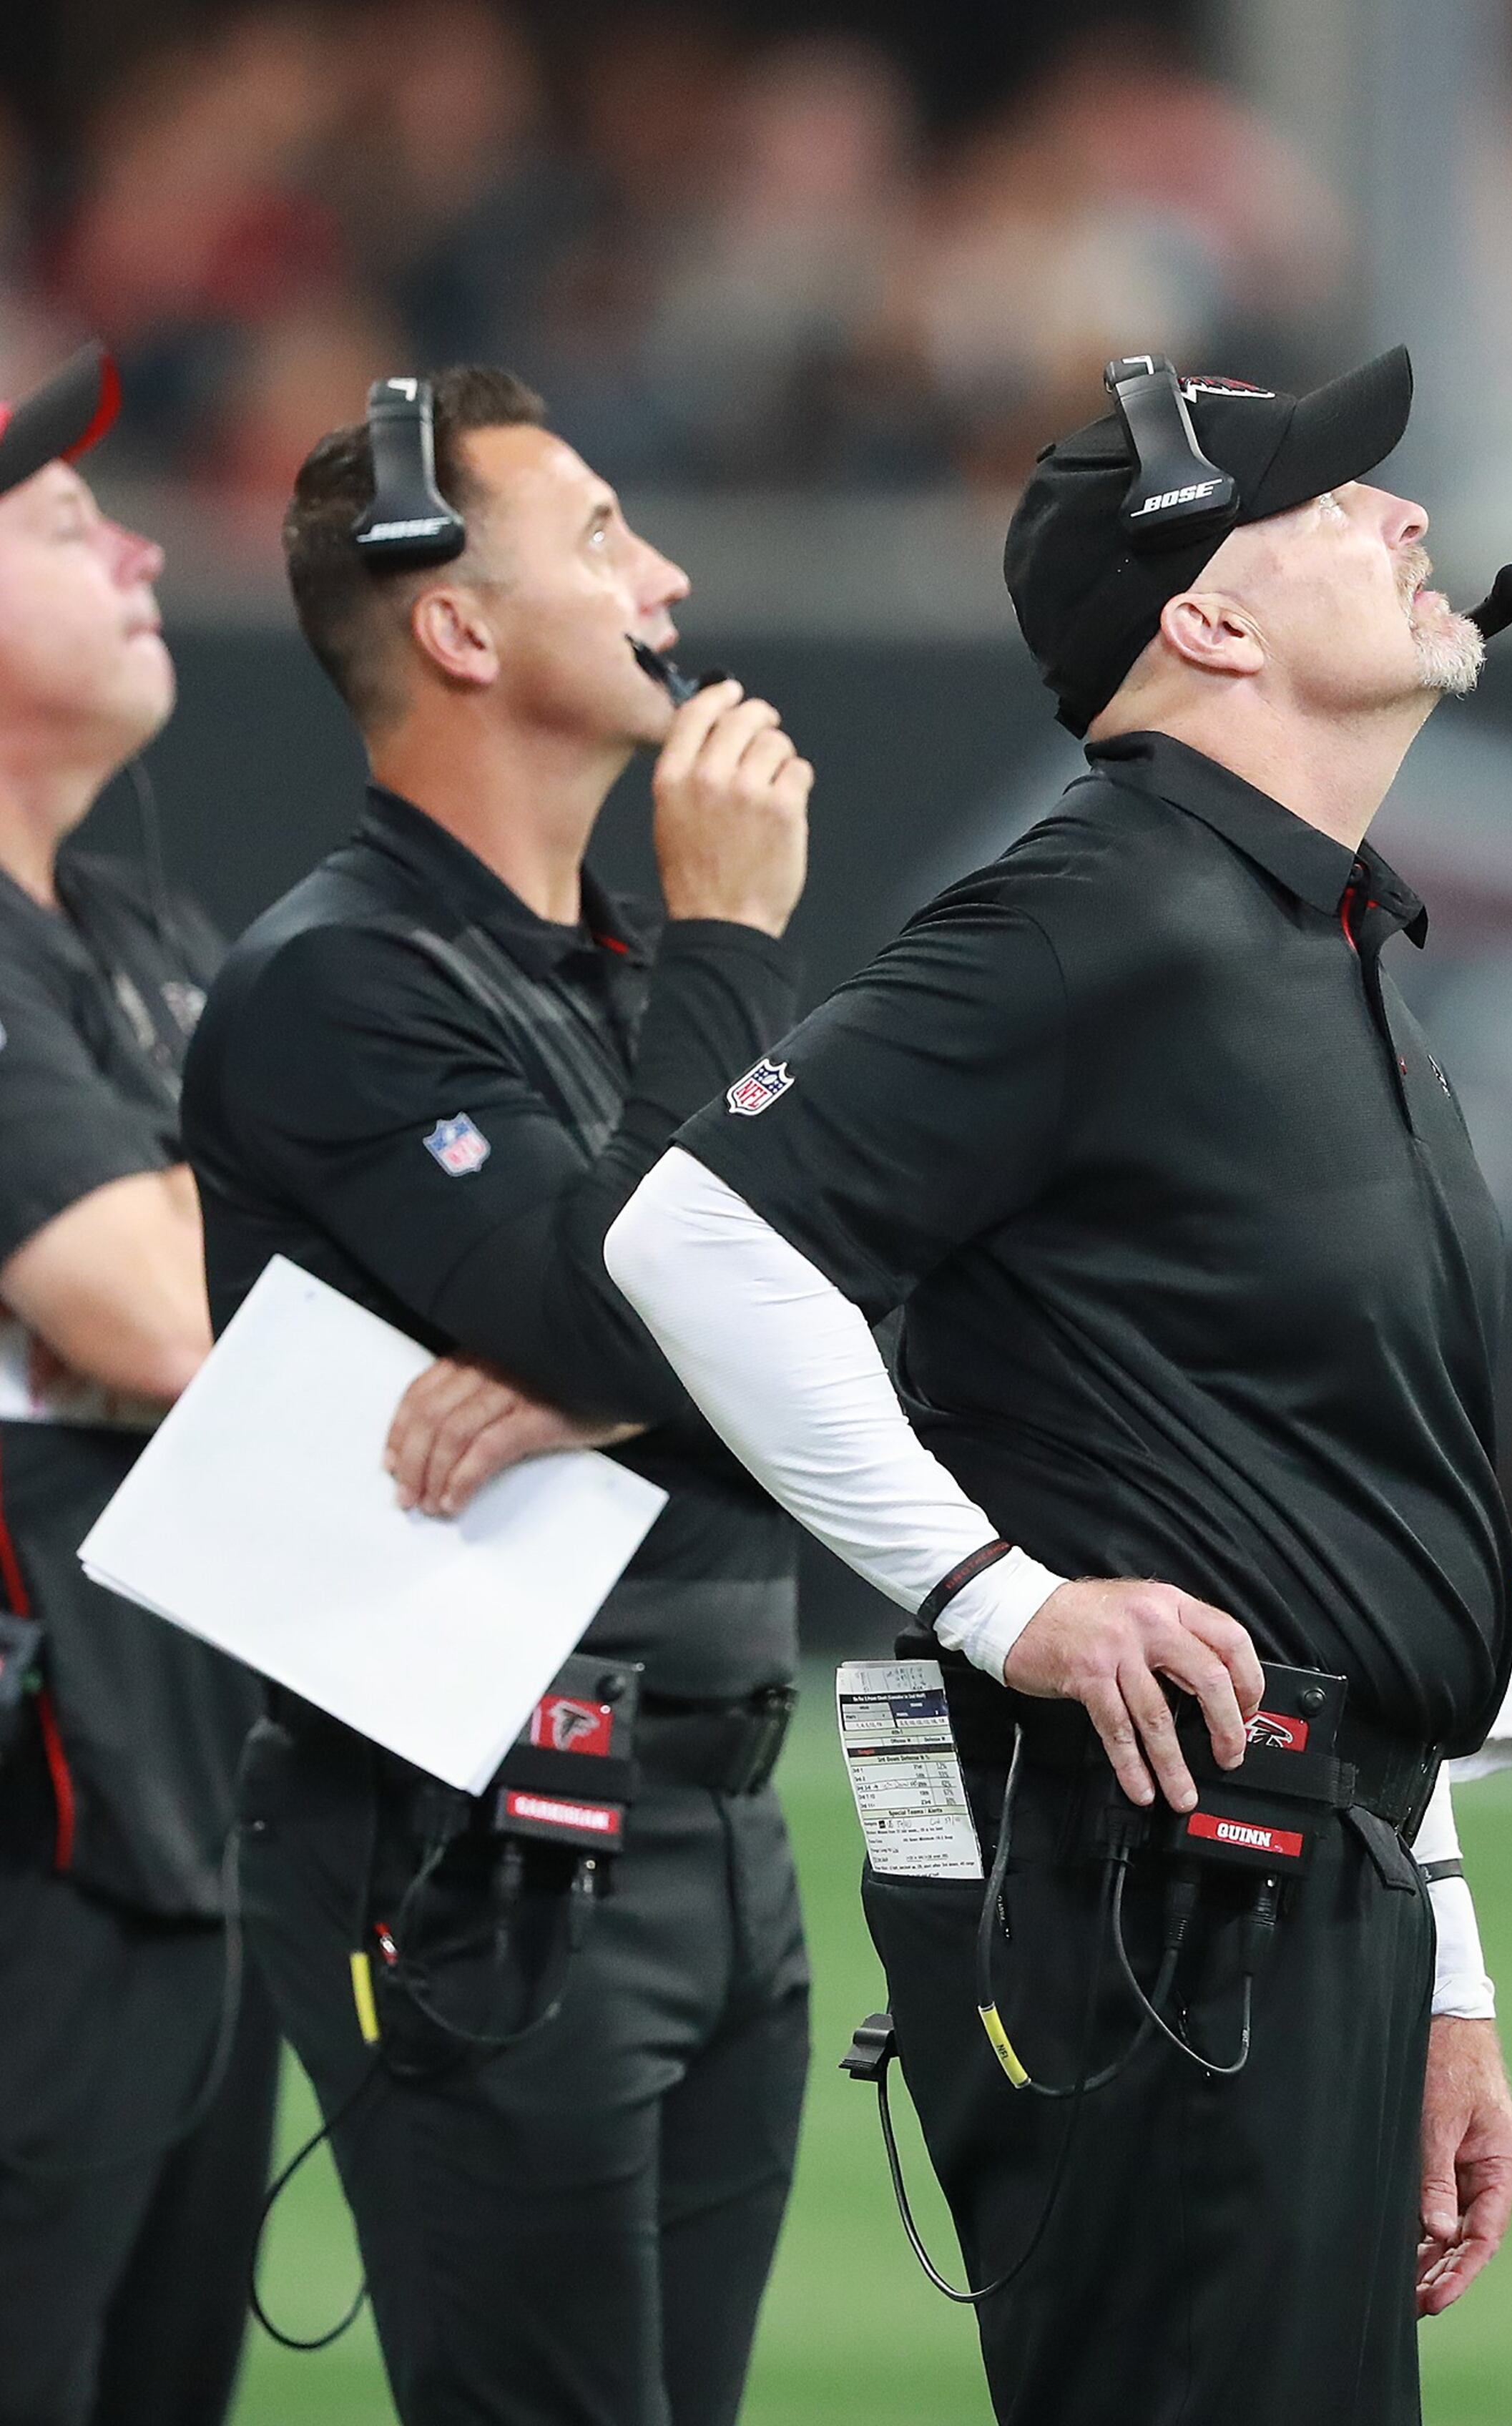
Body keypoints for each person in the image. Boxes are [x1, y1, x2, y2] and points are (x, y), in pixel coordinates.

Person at [603, 348, 1512, 2426]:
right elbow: (693, 1234)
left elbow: (1346, 1497)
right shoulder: (1108, 903)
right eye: (1329, 502)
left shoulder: (1311, 929)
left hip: (1314, 1877)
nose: (1404, 521)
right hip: (1162, 1892)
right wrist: (1000, 1598)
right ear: (1202, 615)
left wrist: (1447, 1976)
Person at [180, 365, 817, 2426]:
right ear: (456, 627)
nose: (674, 578)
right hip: (481, 1835)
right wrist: (732, 943)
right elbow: (659, 1313)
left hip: (721, 1815)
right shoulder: (337, 981)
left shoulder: (617, 980)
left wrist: (611, 1373)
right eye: (609, 538)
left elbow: (871, 1328)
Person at [0, 344, 280, 2426]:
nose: (137, 540)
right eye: (59, 522)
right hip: (43, 1828)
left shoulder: (137, 922)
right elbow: (153, 1314)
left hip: (194, 1798)